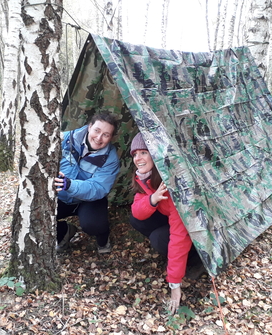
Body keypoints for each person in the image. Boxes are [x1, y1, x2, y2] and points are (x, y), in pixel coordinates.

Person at [129, 132, 205, 314]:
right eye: (135, 154)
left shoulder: (173, 184)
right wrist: (152, 200)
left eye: (144, 152)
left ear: (154, 154)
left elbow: (180, 235)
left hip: (198, 229)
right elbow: (136, 210)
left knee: (159, 239)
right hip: (168, 215)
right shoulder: (145, 176)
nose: (138, 158)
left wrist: (174, 284)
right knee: (137, 217)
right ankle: (175, 258)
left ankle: (196, 259)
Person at [54, 112, 120, 254]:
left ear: (111, 138)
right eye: (97, 130)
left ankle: (103, 238)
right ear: (89, 127)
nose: (99, 138)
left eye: (106, 135)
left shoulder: (110, 158)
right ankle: (65, 232)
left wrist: (71, 185)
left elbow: (99, 188)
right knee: (37, 215)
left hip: (90, 199)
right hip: (61, 196)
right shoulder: (65, 139)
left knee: (94, 224)